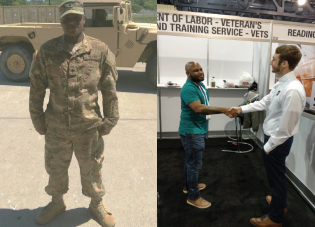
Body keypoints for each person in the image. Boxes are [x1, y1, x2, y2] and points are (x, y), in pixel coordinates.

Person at [29, 1, 119, 227]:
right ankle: (56, 202)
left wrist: (110, 120)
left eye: (76, 18)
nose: (72, 22)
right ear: (60, 22)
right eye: (67, 19)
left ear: (83, 20)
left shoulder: (100, 50)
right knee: (55, 167)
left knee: (93, 168)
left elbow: (109, 89)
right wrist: (37, 119)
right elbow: (37, 88)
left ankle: (96, 202)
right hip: (56, 126)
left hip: (89, 127)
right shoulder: (47, 51)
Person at [230, 45, 306, 227]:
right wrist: (241, 109)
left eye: (274, 59)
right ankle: (280, 204)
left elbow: (286, 128)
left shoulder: (293, 90)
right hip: (273, 140)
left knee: (277, 178)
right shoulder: (282, 83)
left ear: (284, 63)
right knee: (275, 177)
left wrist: (267, 147)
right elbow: (265, 102)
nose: (271, 62)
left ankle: (275, 218)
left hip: (277, 141)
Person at [179, 61, 237, 209]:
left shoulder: (200, 85)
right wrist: (224, 109)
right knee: (194, 164)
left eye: (200, 69)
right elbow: (199, 108)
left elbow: (205, 105)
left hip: (198, 129)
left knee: (190, 160)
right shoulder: (188, 88)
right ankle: (193, 196)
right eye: (195, 70)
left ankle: (187, 185)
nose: (200, 72)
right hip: (192, 131)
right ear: (188, 74)